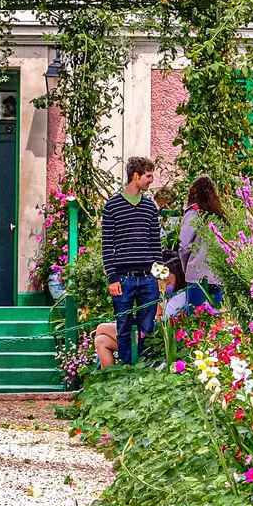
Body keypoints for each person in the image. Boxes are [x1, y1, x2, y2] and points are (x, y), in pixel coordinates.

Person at [101, 155, 162, 364]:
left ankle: (145, 369)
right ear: (135, 176)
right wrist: (112, 278)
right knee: (123, 327)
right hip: (123, 279)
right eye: (148, 176)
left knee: (148, 329)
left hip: (148, 278)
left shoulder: (149, 207)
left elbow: (156, 243)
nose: (151, 180)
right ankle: (126, 370)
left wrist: (158, 275)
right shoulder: (112, 206)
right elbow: (107, 244)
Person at [180, 175, 231, 310]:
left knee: (197, 320)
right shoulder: (221, 214)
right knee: (219, 321)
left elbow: (184, 245)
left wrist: (186, 267)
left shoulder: (193, 214)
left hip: (197, 274)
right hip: (219, 274)